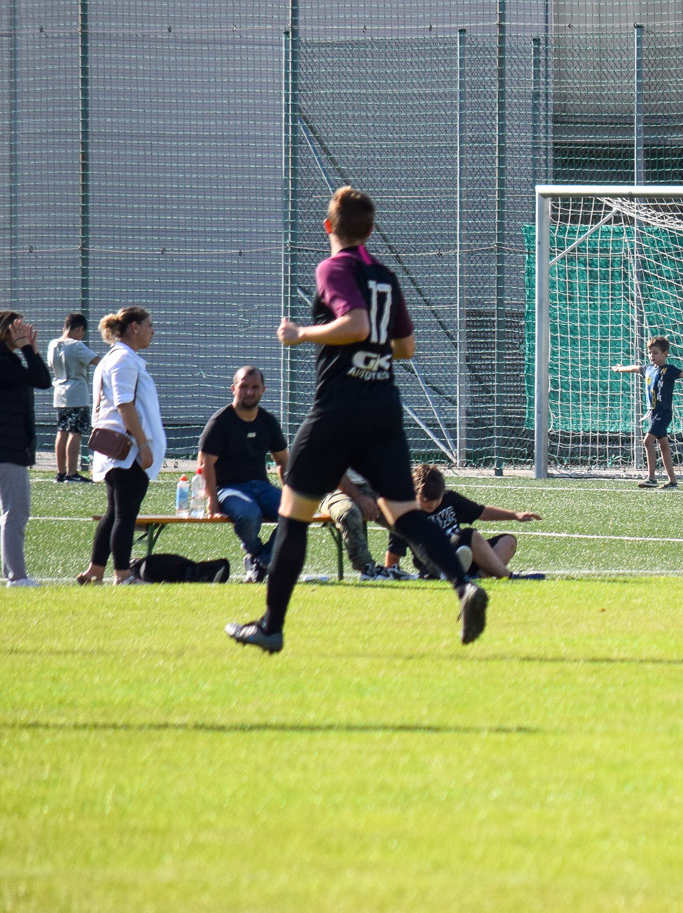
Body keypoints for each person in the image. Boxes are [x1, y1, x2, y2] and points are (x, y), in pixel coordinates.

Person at [225, 185, 490, 653]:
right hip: (383, 409)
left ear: (328, 226)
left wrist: (301, 333)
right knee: (405, 515)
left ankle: (271, 625)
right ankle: (463, 585)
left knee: (293, 517)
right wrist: (372, 351)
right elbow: (406, 348)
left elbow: (357, 324)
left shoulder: (333, 268)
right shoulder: (385, 275)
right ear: (370, 230)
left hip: (337, 410)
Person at [79, 307, 166, 586]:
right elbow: (124, 404)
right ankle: (123, 574)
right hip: (127, 451)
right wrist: (143, 444)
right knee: (126, 514)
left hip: (116, 449)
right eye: (149, 325)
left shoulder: (117, 358)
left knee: (114, 512)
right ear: (134, 327)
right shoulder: (124, 359)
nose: (153, 331)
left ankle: (95, 571)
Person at [198, 366, 290, 582]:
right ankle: (259, 555)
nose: (249, 392)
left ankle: (261, 560)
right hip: (228, 489)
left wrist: (290, 492)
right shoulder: (220, 422)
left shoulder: (268, 421)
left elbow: (283, 461)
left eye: (255, 387)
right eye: (244, 387)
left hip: (261, 487)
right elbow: (205, 465)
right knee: (249, 514)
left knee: (295, 513)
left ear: (263, 390)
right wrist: (213, 502)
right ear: (233, 389)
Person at [0, 310, 53, 586]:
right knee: (16, 513)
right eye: (19, 328)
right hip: (3, 445)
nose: (25, 332)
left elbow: (42, 379)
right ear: (6, 330)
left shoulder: (1, 357)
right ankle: (16, 576)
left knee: (11, 514)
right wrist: (26, 349)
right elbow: (40, 380)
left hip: (7, 444)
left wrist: (31, 351)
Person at [385, 463, 543, 579]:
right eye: (426, 500)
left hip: (465, 557)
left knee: (508, 541)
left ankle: (479, 577)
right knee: (469, 535)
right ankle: (509, 576)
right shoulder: (406, 514)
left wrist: (515, 515)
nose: (432, 505)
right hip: (438, 565)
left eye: (437, 500)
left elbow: (482, 512)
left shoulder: (450, 498)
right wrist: (390, 572)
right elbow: (393, 555)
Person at [611, 337, 683, 489]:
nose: (652, 355)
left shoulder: (669, 370)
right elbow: (634, 368)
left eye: (655, 352)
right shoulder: (648, 369)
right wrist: (620, 369)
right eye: (650, 352)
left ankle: (651, 478)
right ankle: (672, 481)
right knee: (663, 446)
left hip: (663, 413)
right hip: (653, 413)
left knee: (647, 442)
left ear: (665, 354)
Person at [321, 471, 412, 581]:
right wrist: (359, 497)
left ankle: (428, 568)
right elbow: (335, 472)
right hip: (335, 491)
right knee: (349, 514)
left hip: (373, 489)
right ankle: (367, 569)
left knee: (408, 515)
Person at [47, 312, 98, 483]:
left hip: (59, 393)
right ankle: (72, 472)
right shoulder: (76, 345)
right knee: (75, 432)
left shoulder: (53, 344)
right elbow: (97, 361)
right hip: (76, 394)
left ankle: (61, 472)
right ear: (80, 329)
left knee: (62, 431)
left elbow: (50, 365)